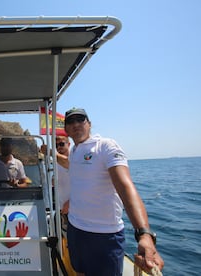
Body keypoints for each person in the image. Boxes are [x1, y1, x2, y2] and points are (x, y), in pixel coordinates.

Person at [63, 107, 164, 276]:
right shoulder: (74, 151)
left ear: (89, 124)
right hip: (76, 230)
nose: (76, 124)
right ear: (66, 129)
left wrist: (144, 233)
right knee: (79, 272)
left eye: (81, 119)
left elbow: (125, 186)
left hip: (104, 236)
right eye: (70, 122)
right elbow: (76, 172)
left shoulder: (105, 146)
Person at [40, 135, 71, 215]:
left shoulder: (74, 158)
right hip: (61, 207)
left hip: (73, 206)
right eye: (56, 145)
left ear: (69, 144)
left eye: (61, 144)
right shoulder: (57, 162)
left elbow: (67, 162)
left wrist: (70, 203)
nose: (59, 147)